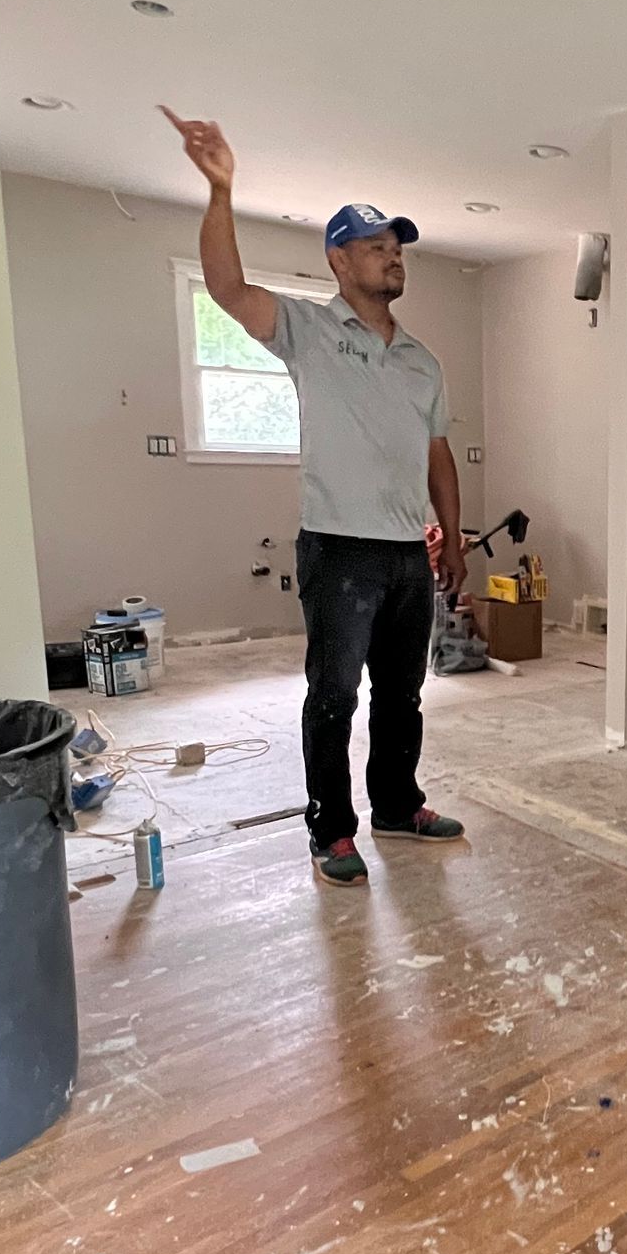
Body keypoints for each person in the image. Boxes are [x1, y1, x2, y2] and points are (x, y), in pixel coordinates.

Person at [163, 107, 468, 887]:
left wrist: (453, 536)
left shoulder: (423, 362)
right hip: (338, 549)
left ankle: (397, 807)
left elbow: (437, 453)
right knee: (333, 698)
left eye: (397, 249)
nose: (392, 259)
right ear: (338, 260)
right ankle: (331, 832)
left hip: (405, 555)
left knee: (402, 696)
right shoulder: (304, 329)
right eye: (376, 247)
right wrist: (221, 190)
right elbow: (227, 287)